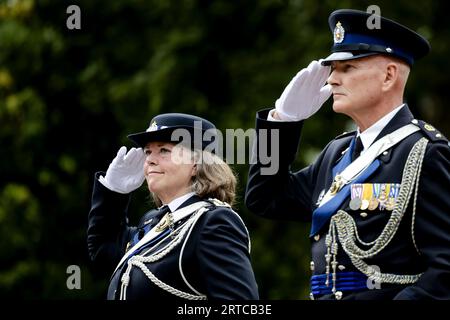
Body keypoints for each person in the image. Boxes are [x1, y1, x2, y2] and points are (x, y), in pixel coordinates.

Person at [245, 9, 450, 300]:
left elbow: (444, 270)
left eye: (348, 68)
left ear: (389, 75)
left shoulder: (424, 152)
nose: (332, 81)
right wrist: (281, 121)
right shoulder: (337, 153)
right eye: (332, 69)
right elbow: (265, 198)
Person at [88, 113, 259, 300]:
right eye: (147, 151)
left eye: (163, 151)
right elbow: (104, 252)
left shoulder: (213, 223)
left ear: (196, 164)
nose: (150, 160)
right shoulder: (153, 222)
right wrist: (113, 191)